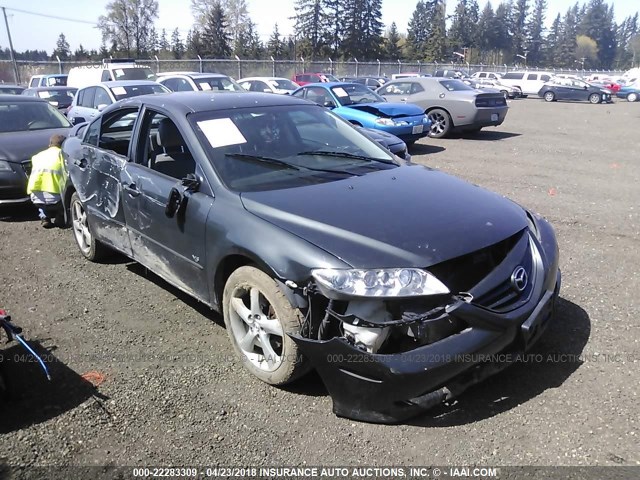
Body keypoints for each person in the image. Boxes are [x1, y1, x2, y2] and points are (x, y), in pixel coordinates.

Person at [26, 134, 67, 228]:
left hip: (35, 198)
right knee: (69, 194)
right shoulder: (63, 155)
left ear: (50, 144)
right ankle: (60, 217)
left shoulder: (37, 156)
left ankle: (44, 217)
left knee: (42, 202)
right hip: (56, 199)